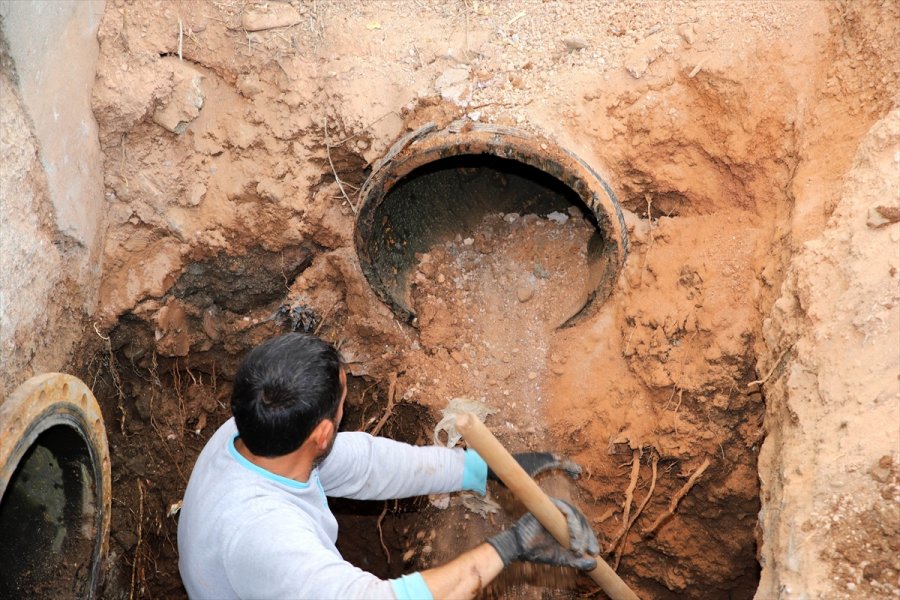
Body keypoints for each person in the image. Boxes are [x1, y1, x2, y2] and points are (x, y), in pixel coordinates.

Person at [178, 333, 598, 599]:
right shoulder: (269, 540)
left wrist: (486, 470)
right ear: (322, 434)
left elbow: (368, 463)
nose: (348, 407)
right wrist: (511, 546)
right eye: (344, 404)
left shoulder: (257, 431)